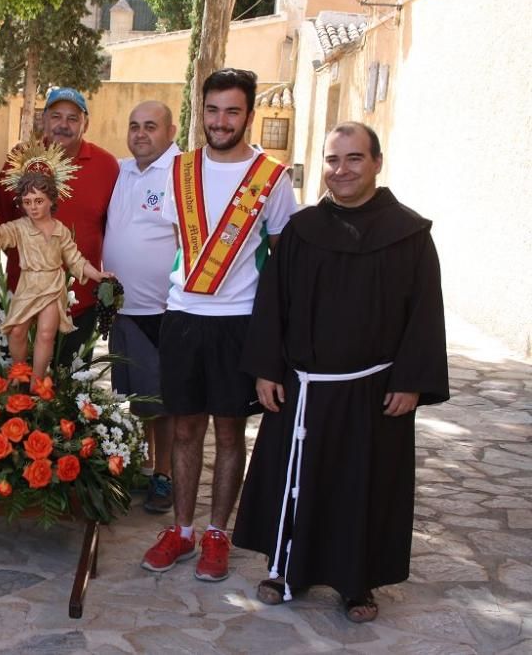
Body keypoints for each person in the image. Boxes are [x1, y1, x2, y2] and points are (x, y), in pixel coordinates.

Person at [232, 122, 449, 622]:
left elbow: (425, 312)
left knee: (362, 487)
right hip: (304, 387)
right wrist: (267, 369)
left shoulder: (410, 234)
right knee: (295, 481)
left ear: (377, 162)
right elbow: (273, 305)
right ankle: (285, 568)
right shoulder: (302, 232)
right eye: (333, 160)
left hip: (374, 391)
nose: (342, 170)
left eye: (354, 158)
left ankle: (358, 583)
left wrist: (411, 379)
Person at [140, 69, 297, 582]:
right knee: (185, 428)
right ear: (200, 112)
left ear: (249, 115)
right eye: (212, 110)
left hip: (239, 320)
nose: (221, 121)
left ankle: (216, 535)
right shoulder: (179, 171)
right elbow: (175, 242)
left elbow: (284, 256)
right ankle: (182, 531)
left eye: (232, 111)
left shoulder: (272, 178)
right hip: (183, 316)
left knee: (230, 432)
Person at [0, 87, 119, 368]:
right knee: (14, 390)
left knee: (69, 399)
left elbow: (114, 227)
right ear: (44, 120)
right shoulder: (20, 161)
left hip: (80, 304)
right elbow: (2, 218)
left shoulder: (107, 166)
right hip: (23, 296)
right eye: (56, 116)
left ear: (85, 123)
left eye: (73, 118)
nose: (63, 124)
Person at [101, 101, 179, 514]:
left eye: (150, 126)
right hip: (122, 309)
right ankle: (145, 465)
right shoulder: (122, 170)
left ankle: (164, 475)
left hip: (160, 311)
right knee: (136, 396)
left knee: (161, 400)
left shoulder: (182, 174)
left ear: (171, 130)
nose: (140, 134)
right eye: (134, 126)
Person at [0, 164, 114, 379]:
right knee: (17, 332)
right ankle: (20, 374)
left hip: (52, 285)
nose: (33, 207)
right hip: (27, 284)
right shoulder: (19, 227)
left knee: (46, 334)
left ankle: (38, 380)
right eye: (27, 202)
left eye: (39, 201)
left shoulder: (60, 230)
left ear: (51, 200)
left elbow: (76, 260)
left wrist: (97, 275)